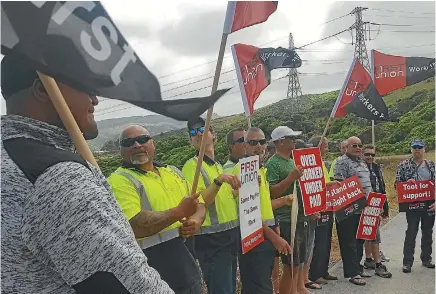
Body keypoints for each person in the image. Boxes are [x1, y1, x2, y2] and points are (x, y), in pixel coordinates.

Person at [1, 53, 173, 293]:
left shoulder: (9, 160)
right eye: (85, 86)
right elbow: (128, 283)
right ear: (43, 90)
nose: (95, 100)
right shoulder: (57, 176)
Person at [108, 125, 216, 293]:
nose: (137, 145)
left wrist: (195, 220)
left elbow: (199, 204)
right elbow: (134, 224)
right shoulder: (119, 180)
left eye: (143, 139)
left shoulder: (173, 172)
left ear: (153, 144)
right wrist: (179, 212)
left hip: (188, 270)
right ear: (120, 149)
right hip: (154, 280)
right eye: (129, 142)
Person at [182, 117, 241, 294]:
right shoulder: (192, 167)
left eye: (202, 129)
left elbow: (225, 199)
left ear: (213, 134)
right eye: (193, 132)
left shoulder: (217, 166)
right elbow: (198, 204)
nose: (198, 133)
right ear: (191, 140)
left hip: (229, 238)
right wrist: (218, 181)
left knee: (229, 289)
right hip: (212, 241)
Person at [231, 127, 293, 294]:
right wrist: (275, 238)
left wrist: (275, 224)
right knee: (259, 287)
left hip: (265, 235)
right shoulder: (242, 170)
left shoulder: (260, 170)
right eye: (253, 142)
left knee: (262, 283)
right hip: (254, 237)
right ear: (245, 146)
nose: (259, 146)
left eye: (262, 142)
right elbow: (248, 214)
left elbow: (264, 206)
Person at [334, 136, 386, 286]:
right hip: (349, 209)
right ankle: (353, 273)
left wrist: (375, 205)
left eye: (359, 145)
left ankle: (357, 267)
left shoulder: (362, 162)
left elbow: (369, 186)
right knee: (349, 241)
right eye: (354, 145)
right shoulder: (341, 162)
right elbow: (339, 185)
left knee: (359, 240)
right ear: (347, 147)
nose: (357, 148)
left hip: (365, 208)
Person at [266, 126, 311, 294]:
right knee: (289, 264)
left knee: (296, 263)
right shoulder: (273, 163)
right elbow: (271, 192)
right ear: (280, 142)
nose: (294, 140)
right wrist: (290, 178)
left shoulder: (291, 160)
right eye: (290, 137)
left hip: (298, 216)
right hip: (285, 219)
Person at [396, 139, 435, 273]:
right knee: (411, 231)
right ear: (411, 149)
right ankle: (407, 262)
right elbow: (398, 184)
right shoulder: (403, 165)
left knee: (428, 232)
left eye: (420, 147)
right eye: (415, 147)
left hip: (429, 204)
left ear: (424, 149)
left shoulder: (431, 165)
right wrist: (407, 183)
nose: (417, 149)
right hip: (412, 204)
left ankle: (426, 258)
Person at [308, 136, 339, 287]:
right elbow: (315, 184)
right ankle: (314, 274)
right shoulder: (312, 163)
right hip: (318, 208)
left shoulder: (322, 162)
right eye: (325, 146)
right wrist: (329, 183)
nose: (327, 149)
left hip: (328, 206)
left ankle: (323, 270)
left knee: (326, 240)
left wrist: (330, 184)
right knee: (319, 241)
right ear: (317, 147)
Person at [359, 145, 392, 278]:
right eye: (367, 154)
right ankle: (378, 264)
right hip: (366, 203)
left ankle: (368, 259)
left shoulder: (377, 167)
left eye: (372, 155)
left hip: (378, 202)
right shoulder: (360, 168)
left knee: (370, 233)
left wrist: (385, 207)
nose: (370, 157)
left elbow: (381, 186)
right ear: (362, 154)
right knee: (374, 235)